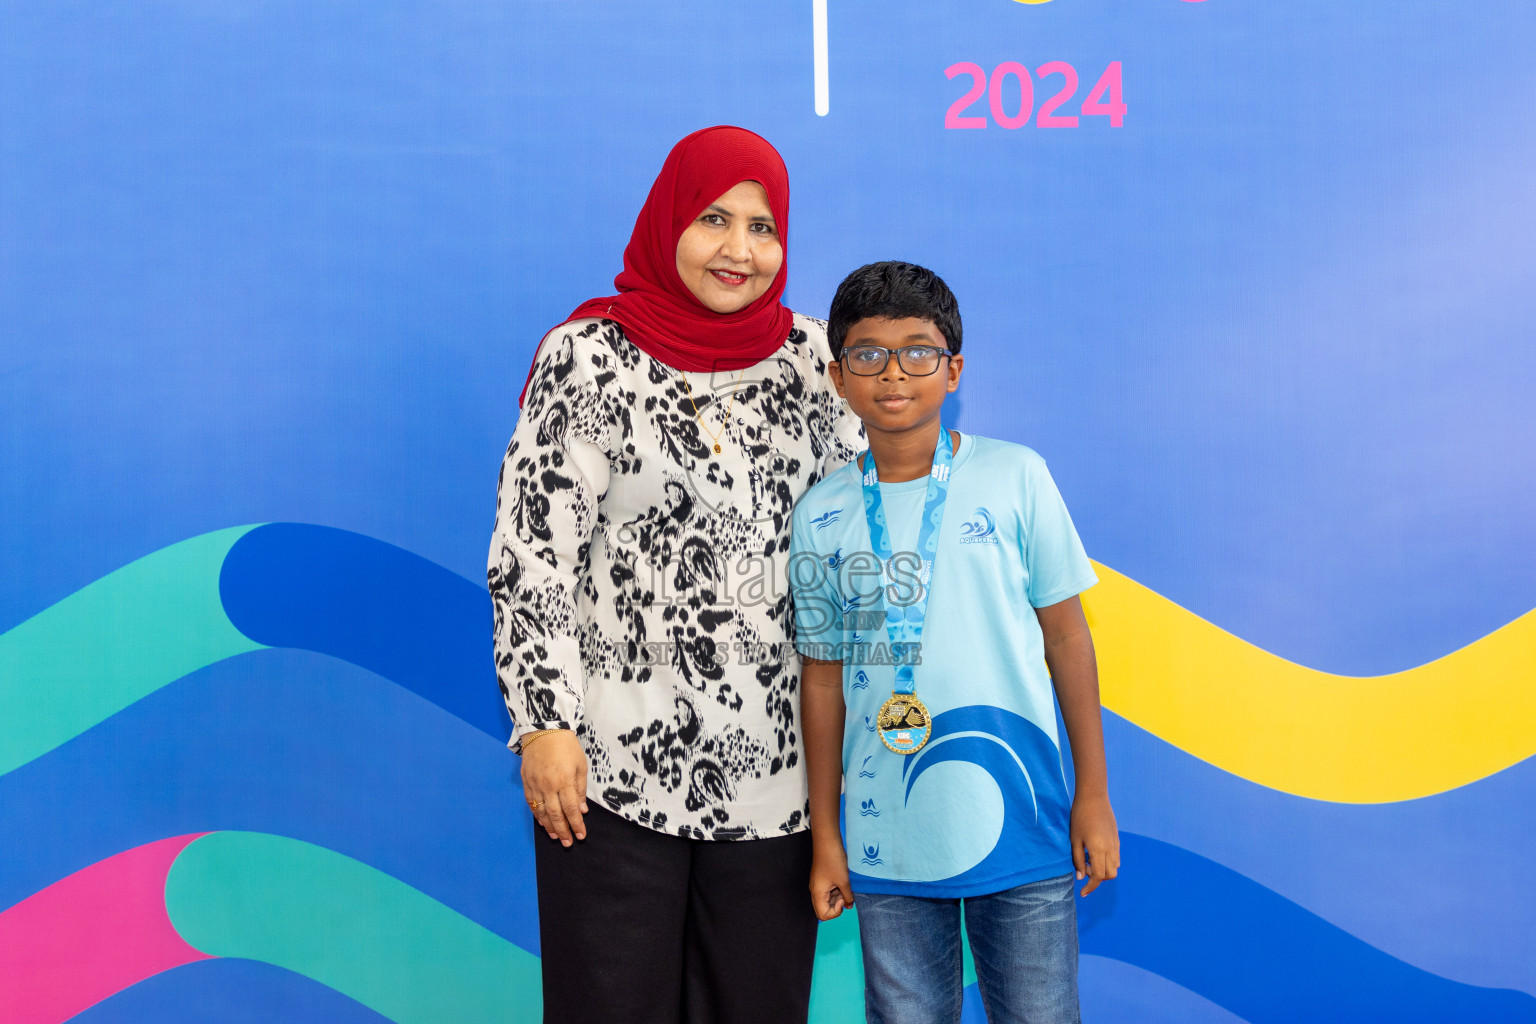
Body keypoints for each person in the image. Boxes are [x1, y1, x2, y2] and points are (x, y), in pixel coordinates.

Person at [488, 126, 864, 1024]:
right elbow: (533, 553)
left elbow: (865, 529)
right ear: (668, 223)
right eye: (714, 219)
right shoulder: (589, 358)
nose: (741, 250)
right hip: (610, 773)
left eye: (763, 226)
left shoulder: (815, 360)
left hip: (778, 781)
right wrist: (545, 724)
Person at [790, 261, 1120, 1024]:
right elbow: (821, 677)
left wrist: (1093, 798)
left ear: (954, 369)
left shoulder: (1016, 477)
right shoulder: (820, 514)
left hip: (1024, 817)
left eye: (919, 351)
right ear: (839, 377)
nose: (894, 372)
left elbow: (1068, 639)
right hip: (886, 835)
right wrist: (825, 835)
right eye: (868, 354)